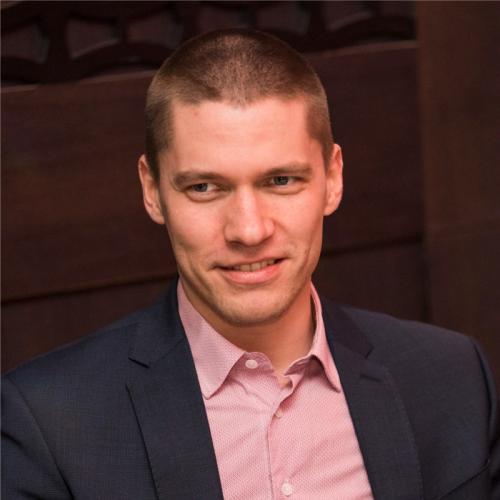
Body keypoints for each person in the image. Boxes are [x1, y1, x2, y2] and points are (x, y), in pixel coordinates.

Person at [2, 28, 499, 500]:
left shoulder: (451, 378)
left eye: (281, 181)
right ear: (152, 190)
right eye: (204, 187)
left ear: (333, 178)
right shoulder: (49, 423)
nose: (249, 230)